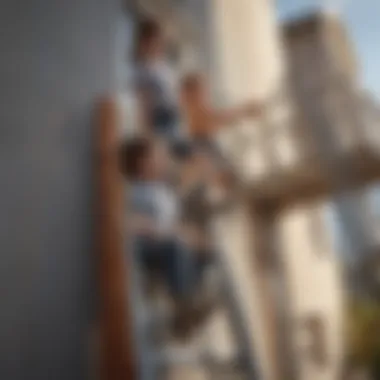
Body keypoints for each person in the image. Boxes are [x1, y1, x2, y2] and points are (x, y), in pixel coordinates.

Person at [120, 137, 213, 337]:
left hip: (166, 246)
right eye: (158, 156)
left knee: (205, 250)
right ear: (144, 164)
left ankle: (192, 300)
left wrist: (190, 235)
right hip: (148, 248)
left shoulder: (160, 190)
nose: (164, 159)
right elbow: (135, 222)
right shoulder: (136, 192)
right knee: (177, 246)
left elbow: (172, 211)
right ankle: (185, 305)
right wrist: (176, 233)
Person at [133, 19, 183, 144]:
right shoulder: (143, 69)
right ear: (145, 42)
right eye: (155, 41)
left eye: (160, 41)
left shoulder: (163, 66)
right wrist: (148, 135)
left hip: (175, 119)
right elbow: (145, 103)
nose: (159, 45)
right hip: (161, 121)